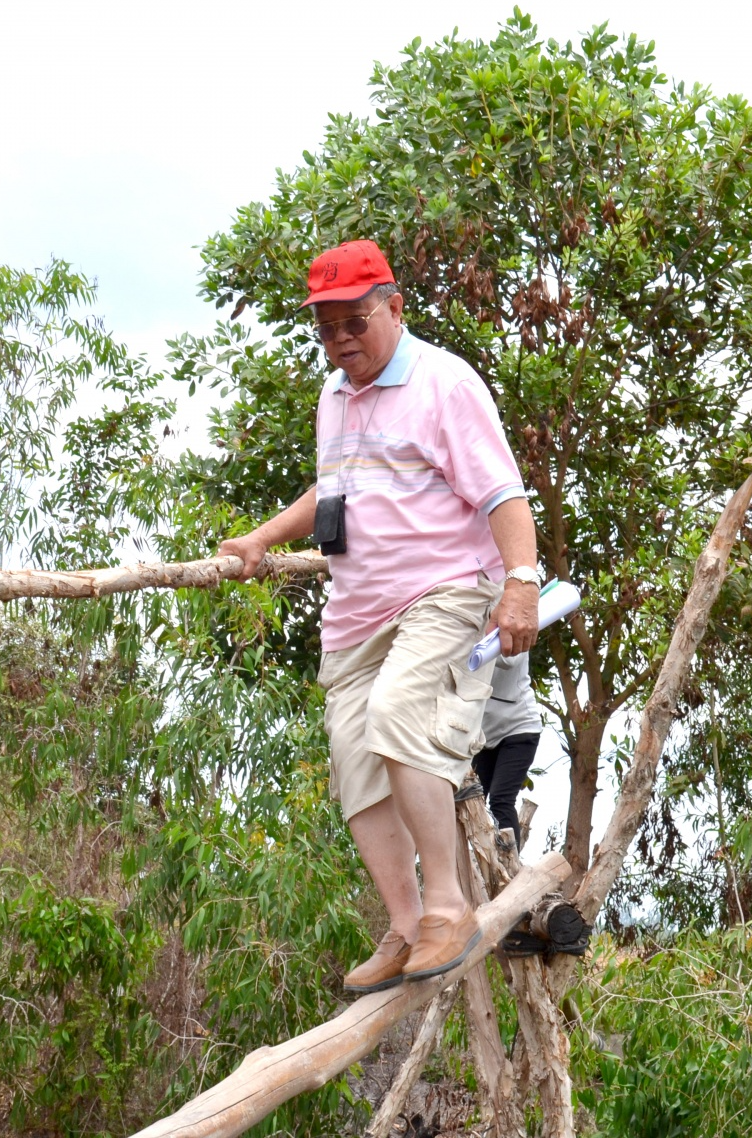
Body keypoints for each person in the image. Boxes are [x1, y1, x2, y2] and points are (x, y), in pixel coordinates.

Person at [217, 239, 541, 994]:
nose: (339, 342)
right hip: (357, 612)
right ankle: (404, 926)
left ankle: (448, 909)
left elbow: (504, 494)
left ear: (394, 308)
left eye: (353, 322)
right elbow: (333, 492)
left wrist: (519, 583)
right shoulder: (335, 396)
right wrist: (262, 540)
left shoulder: (443, 383)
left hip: (444, 593)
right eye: (325, 328)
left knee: (402, 713)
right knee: (354, 757)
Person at [473, 651, 542, 841]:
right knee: (471, 799)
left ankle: (511, 865)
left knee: (500, 800)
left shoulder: (515, 623)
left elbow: (509, 659)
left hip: (519, 728)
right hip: (485, 734)